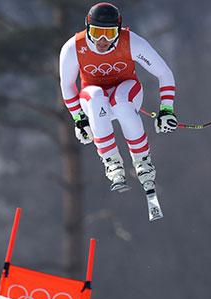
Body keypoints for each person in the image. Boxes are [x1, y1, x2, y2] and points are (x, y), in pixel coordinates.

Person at [59, 2, 178, 194]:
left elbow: (164, 73)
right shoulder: (73, 47)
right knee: (97, 97)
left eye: (110, 33)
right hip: (94, 98)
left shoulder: (131, 42)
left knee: (121, 102)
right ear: (88, 28)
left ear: (119, 31)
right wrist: (79, 119)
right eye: (97, 33)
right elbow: (67, 85)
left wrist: (166, 109)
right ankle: (112, 162)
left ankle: (142, 161)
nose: (103, 40)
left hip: (127, 91)